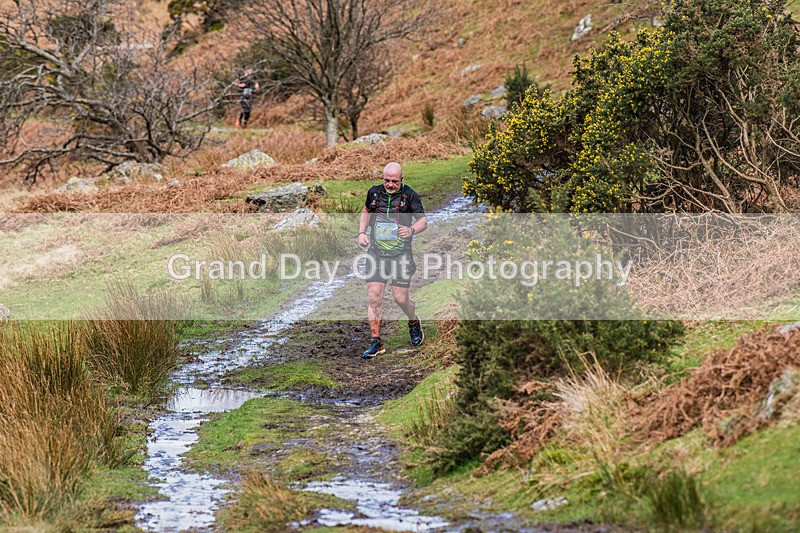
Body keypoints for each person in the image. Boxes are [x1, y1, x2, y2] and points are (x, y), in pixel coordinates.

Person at [358, 162, 428, 359]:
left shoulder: (410, 195)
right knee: (374, 297)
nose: (390, 184)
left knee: (400, 299)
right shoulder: (374, 193)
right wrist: (362, 233)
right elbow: (366, 211)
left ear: (401, 180)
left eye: (394, 181)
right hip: (377, 253)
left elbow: (423, 221)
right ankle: (376, 342)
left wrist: (412, 230)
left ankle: (413, 321)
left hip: (401, 255)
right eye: (387, 180)